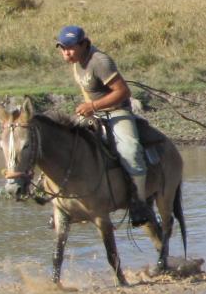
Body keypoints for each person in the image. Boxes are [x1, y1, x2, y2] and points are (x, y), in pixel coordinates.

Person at [55, 25, 153, 225]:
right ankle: (68, 202)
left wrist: (93, 106)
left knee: (130, 151)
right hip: (94, 114)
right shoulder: (77, 62)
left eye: (70, 48)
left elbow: (123, 92)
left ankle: (139, 203)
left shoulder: (99, 62)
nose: (66, 53)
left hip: (117, 112)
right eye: (63, 48)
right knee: (64, 143)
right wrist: (88, 110)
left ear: (84, 44)